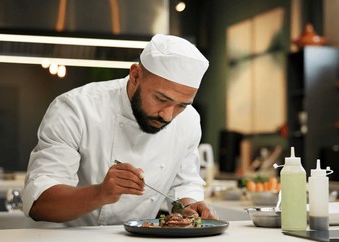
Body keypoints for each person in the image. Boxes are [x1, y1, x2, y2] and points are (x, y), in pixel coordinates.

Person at [22, 34, 218, 226]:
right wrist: (100, 193)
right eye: (161, 99)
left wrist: (189, 208)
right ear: (135, 75)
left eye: (181, 105)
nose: (167, 116)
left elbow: (183, 185)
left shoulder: (189, 120)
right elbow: (39, 203)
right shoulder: (76, 109)